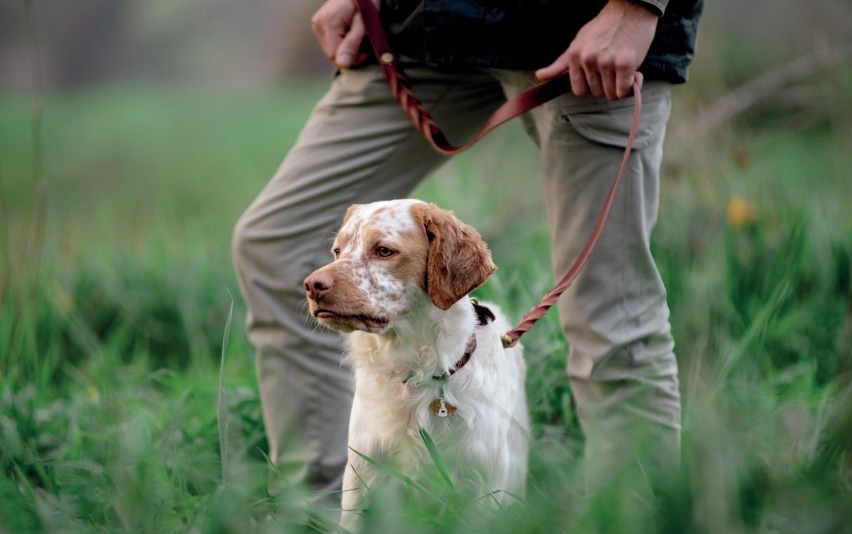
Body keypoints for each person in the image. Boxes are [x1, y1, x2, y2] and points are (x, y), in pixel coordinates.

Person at [233, 0, 703, 498]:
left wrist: (636, 8)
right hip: (420, 30)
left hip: (585, 34)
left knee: (612, 305)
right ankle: (325, 528)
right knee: (276, 242)